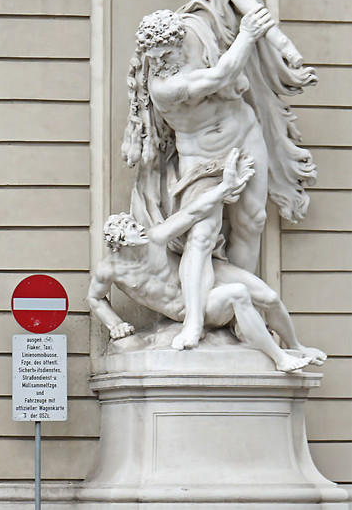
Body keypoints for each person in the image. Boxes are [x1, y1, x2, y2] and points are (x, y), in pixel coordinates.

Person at [124, 0, 316, 351]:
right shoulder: (164, 85)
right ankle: (195, 320)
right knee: (202, 235)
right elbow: (221, 77)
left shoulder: (195, 36)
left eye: (164, 53)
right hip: (200, 160)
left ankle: (236, 319)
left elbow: (225, 20)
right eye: (153, 57)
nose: (158, 63)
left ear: (177, 42)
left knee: (253, 221)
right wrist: (248, 33)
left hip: (244, 136)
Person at [88, 148, 325, 373]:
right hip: (188, 308)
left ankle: (296, 346)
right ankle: (280, 358)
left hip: (201, 281)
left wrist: (225, 188)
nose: (139, 227)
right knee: (237, 293)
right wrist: (114, 324)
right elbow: (94, 298)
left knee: (270, 298)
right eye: (131, 227)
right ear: (119, 241)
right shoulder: (110, 270)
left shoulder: (155, 239)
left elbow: (190, 213)